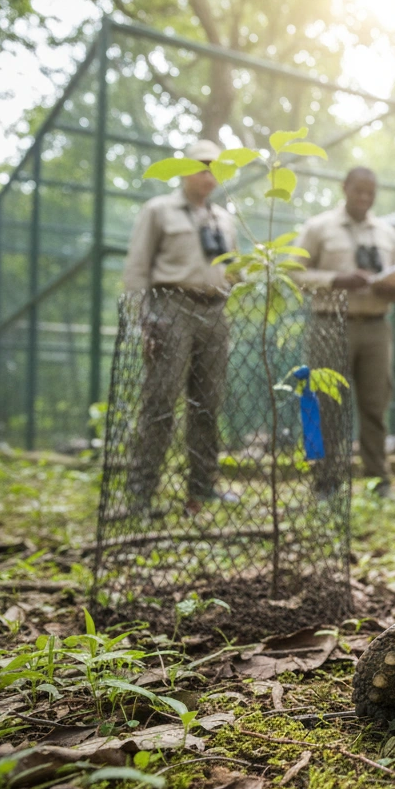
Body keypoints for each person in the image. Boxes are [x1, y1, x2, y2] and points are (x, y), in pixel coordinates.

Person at [123, 139, 239, 512]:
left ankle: (203, 486)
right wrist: (142, 318)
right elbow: (138, 265)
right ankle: (141, 490)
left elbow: (230, 270)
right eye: (202, 166)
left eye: (216, 168)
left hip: (215, 311)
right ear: (185, 168)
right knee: (160, 400)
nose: (209, 174)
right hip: (170, 306)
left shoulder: (224, 218)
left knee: (208, 403)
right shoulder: (158, 210)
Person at [294, 167, 395, 499]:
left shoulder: (388, 233)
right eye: (358, 190)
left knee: (376, 404)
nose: (364, 197)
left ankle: (378, 479)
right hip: (330, 323)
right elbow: (294, 273)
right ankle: (324, 481)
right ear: (344, 187)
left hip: (376, 326)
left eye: (370, 192)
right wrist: (336, 280)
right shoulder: (318, 228)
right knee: (323, 403)